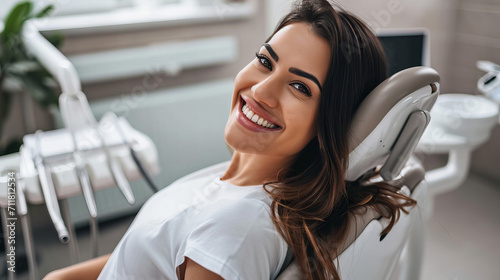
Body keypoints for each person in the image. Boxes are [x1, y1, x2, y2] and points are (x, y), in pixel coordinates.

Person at [43, 0, 415, 279]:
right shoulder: (244, 180)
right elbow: (147, 251)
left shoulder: (235, 227)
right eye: (266, 61)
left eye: (300, 87)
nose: (261, 91)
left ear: (328, 124)